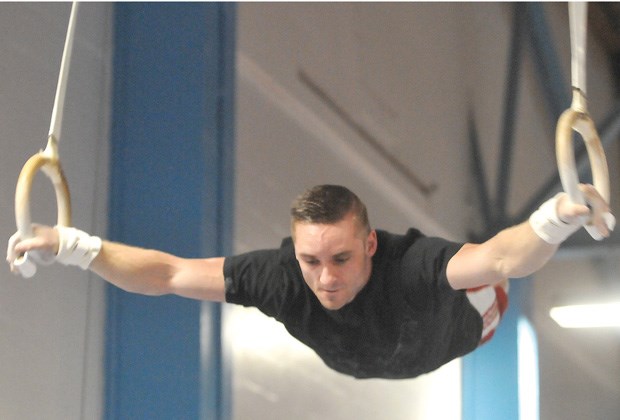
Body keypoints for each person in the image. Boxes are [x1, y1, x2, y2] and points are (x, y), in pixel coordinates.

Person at [6, 184, 615, 379]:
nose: (326, 279)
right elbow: (167, 273)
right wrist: (76, 247)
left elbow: (504, 258)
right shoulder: (279, 278)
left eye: (343, 259)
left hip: (461, 328)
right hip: (359, 357)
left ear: (370, 243)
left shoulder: (411, 265)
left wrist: (552, 220)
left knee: (488, 272)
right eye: (311, 260)